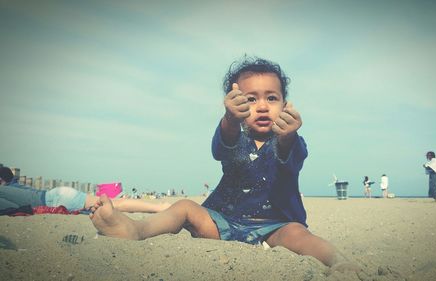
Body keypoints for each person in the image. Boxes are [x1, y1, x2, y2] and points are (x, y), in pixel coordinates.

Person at [89, 56, 337, 267]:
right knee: (185, 206)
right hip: (221, 222)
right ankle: (137, 230)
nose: (262, 106)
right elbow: (221, 145)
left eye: (271, 98)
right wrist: (230, 119)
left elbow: (289, 158)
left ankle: (338, 262)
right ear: (234, 103)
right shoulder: (235, 137)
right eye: (250, 99)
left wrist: (288, 135)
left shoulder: (289, 141)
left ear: (284, 104)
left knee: (298, 233)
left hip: (274, 226)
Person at [0, 167, 170, 213]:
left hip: (57, 199)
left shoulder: (7, 189)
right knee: (113, 206)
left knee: (114, 204)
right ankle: (157, 207)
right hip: (57, 195)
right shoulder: (14, 186)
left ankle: (159, 207)